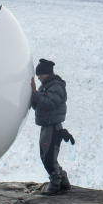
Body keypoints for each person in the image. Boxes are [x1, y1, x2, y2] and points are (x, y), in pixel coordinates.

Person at [30, 58, 70, 195]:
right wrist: (34, 95)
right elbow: (39, 105)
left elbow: (48, 103)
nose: (39, 77)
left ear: (46, 73)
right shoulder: (46, 86)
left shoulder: (56, 86)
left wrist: (35, 93)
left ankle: (55, 185)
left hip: (52, 126)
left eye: (40, 74)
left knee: (48, 157)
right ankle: (63, 181)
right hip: (47, 125)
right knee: (48, 155)